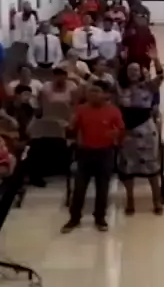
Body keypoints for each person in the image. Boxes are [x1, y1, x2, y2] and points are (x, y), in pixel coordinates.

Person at [62, 81, 124, 233]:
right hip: (85, 153)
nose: (93, 94)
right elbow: (71, 130)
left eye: (96, 91)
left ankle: (100, 218)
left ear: (104, 94)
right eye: (90, 91)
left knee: (102, 188)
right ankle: (74, 218)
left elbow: (122, 130)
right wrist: (69, 126)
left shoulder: (113, 111)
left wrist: (116, 134)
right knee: (79, 188)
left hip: (105, 153)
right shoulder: (81, 110)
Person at [117, 50, 164, 216]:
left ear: (141, 72)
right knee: (128, 168)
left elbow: (161, 76)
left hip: (145, 130)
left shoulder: (148, 86)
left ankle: (156, 200)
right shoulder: (120, 88)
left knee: (151, 168)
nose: (133, 73)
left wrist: (156, 60)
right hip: (127, 132)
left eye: (136, 70)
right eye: (130, 70)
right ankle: (130, 200)